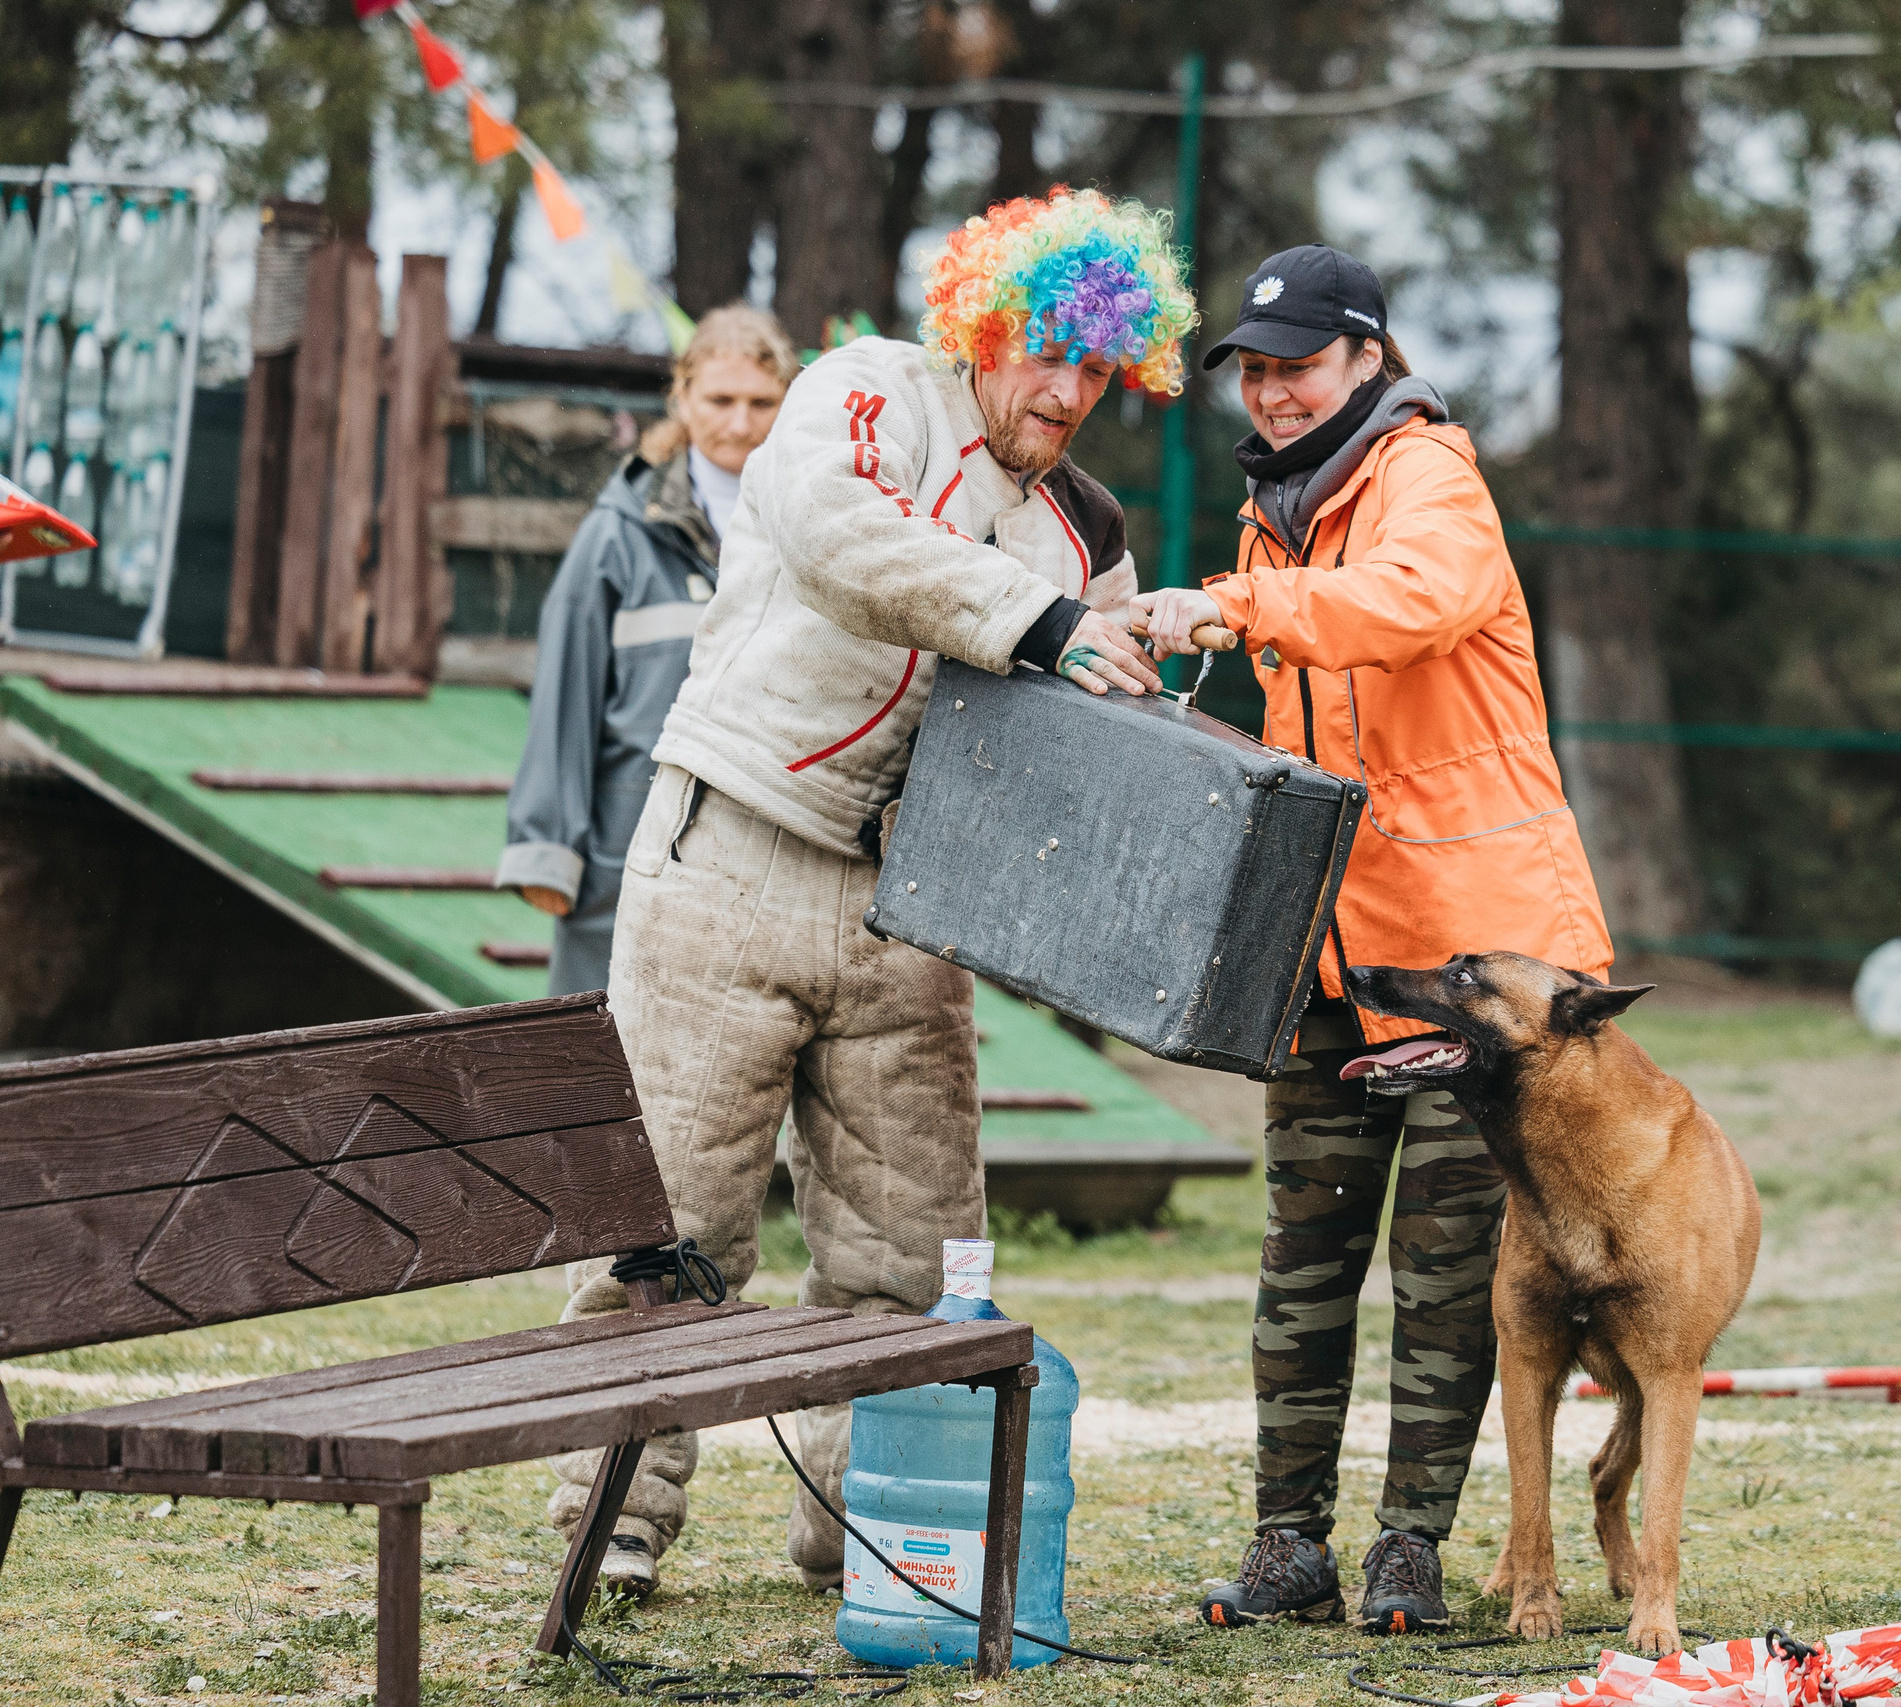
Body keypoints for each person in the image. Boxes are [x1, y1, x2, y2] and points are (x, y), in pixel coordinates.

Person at [545, 188, 1190, 1601]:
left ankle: (871, 1524)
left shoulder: (1087, 528)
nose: (1069, 391)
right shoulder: (860, 393)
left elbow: (1098, 720)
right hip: (731, 849)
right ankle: (617, 1519)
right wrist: (1046, 624)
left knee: (909, 1247)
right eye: (1046, 352)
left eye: (1097, 368)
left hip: (917, 907)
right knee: (673, 1220)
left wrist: (1156, 657)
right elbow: (844, 542)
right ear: (979, 325)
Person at [1130, 245, 1613, 1637]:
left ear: (1367, 359)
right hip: (1332, 954)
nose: (1272, 391)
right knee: (1306, 1252)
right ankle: (1289, 1543)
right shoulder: (1276, 511)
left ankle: (1412, 1542)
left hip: (1483, 969)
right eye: (1256, 370)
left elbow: (1413, 603)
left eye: (1297, 363)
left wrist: (1230, 605)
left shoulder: (1427, 475)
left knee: (1452, 1265)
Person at [496, 305, 797, 995]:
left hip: (767, 856)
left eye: (762, 402)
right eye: (720, 399)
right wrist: (547, 848)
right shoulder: (620, 531)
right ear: (682, 398)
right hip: (625, 849)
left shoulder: (809, 529)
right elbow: (565, 692)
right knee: (602, 1071)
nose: (739, 422)